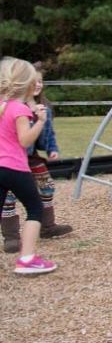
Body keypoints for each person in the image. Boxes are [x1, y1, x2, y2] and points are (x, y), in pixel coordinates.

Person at [2, 69, 73, 253]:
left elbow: (46, 136)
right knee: (13, 197)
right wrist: (38, 121)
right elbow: (23, 139)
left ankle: (48, 226)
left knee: (46, 186)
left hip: (29, 158)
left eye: (41, 81)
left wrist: (52, 149)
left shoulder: (43, 107)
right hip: (13, 160)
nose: (38, 84)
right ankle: (11, 237)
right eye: (34, 81)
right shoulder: (13, 107)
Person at [0, 57, 58, 274]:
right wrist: (41, 121)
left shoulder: (2, 106)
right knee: (35, 210)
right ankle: (27, 259)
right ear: (27, 85)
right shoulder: (19, 110)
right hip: (15, 169)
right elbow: (25, 141)